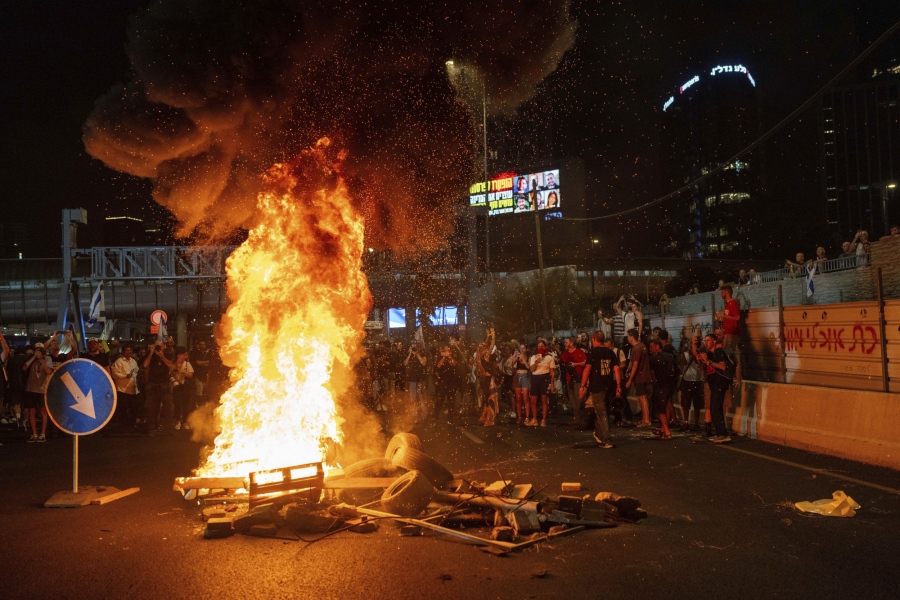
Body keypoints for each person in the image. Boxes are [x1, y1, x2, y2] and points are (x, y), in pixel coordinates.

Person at [579, 331, 620, 448]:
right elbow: (616, 369)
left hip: (597, 386)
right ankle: (599, 433)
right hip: (609, 386)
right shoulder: (610, 352)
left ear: (593, 339)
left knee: (601, 413)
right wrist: (618, 386)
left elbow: (587, 369)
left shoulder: (593, 352)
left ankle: (607, 439)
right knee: (603, 411)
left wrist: (582, 386)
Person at [695, 334, 735, 443]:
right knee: (714, 409)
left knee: (715, 408)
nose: (706, 342)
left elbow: (722, 366)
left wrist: (709, 361)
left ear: (714, 342)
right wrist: (700, 360)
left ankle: (723, 434)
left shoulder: (718, 352)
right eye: (705, 340)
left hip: (720, 384)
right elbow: (704, 367)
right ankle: (720, 433)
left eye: (708, 340)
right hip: (714, 385)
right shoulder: (710, 354)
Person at [22, 342, 53, 442]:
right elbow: (24, 367)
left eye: (41, 350)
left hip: (42, 389)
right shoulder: (30, 358)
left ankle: (43, 433)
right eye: (37, 350)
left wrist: (41, 359)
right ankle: (34, 433)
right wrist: (34, 357)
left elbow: (48, 371)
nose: (39, 352)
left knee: (43, 411)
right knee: (32, 411)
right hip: (31, 389)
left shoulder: (47, 358)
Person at [142, 339, 175, 433]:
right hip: (153, 385)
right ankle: (151, 428)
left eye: (160, 346)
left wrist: (162, 356)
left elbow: (171, 366)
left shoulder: (167, 354)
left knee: (168, 408)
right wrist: (152, 353)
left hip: (164, 384)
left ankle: (169, 428)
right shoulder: (150, 355)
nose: (159, 348)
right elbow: (145, 365)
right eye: (157, 346)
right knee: (152, 408)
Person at [648, 339, 676, 439]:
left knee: (661, 409)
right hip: (670, 384)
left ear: (657, 346)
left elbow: (652, 374)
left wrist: (654, 382)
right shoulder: (670, 356)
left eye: (651, 347)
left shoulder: (653, 358)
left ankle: (667, 431)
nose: (650, 349)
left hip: (660, 385)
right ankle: (664, 428)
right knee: (667, 404)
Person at [624, 329, 653, 427]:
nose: (627, 338)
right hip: (643, 375)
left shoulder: (636, 348)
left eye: (628, 336)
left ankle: (646, 420)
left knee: (642, 397)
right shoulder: (641, 346)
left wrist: (630, 379)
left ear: (632, 336)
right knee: (641, 397)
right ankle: (644, 418)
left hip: (640, 376)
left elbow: (635, 364)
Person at [678, 335, 705, 431]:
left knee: (697, 404)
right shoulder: (686, 354)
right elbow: (682, 363)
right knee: (686, 403)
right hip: (687, 380)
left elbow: (700, 364)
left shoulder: (701, 354)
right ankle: (686, 422)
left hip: (698, 380)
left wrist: (695, 350)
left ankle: (696, 423)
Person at [111, 344, 140, 429]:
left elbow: (137, 372)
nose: (128, 352)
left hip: (134, 390)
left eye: (130, 350)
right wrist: (125, 376)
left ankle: (132, 424)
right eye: (126, 350)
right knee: (123, 409)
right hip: (122, 390)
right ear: (123, 352)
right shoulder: (118, 362)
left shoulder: (133, 361)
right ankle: (124, 426)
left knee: (134, 408)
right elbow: (114, 374)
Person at [528, 339, 556, 427]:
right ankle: (535, 419)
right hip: (535, 378)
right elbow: (531, 369)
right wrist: (536, 362)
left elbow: (552, 372)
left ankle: (543, 420)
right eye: (539, 346)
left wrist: (552, 384)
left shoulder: (549, 357)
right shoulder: (533, 357)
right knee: (533, 400)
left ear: (545, 347)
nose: (540, 348)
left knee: (544, 399)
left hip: (544, 378)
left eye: (542, 346)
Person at [559, 337, 587, 423]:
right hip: (569, 379)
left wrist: (575, 364)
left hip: (578, 378)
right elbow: (560, 360)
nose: (565, 344)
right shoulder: (565, 354)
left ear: (571, 343)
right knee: (572, 399)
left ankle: (581, 418)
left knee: (579, 399)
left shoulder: (579, 352)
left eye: (566, 342)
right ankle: (577, 417)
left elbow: (585, 362)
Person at [170, 346, 194, 430]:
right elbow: (170, 374)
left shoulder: (187, 364)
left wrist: (183, 372)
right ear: (178, 355)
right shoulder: (173, 364)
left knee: (186, 405)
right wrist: (174, 381)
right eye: (184, 355)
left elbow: (191, 375)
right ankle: (178, 421)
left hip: (185, 386)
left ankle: (185, 421)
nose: (185, 356)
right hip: (177, 386)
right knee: (177, 404)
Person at [432, 344, 457, 423]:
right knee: (440, 400)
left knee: (451, 401)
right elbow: (438, 366)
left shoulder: (453, 356)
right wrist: (443, 357)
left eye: (447, 350)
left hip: (451, 382)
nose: (446, 352)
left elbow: (455, 364)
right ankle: (435, 416)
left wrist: (449, 356)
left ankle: (450, 418)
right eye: (444, 350)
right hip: (442, 382)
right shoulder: (440, 357)